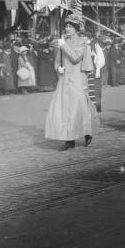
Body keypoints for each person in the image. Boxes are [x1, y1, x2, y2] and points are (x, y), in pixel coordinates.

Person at [45, 15, 100, 150]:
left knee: (79, 108)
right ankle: (69, 139)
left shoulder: (82, 42)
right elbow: (58, 60)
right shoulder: (64, 42)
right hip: (64, 81)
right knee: (65, 109)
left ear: (76, 29)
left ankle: (87, 132)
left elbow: (75, 58)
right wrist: (58, 68)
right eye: (66, 26)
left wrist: (64, 46)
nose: (67, 29)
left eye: (70, 26)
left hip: (78, 79)